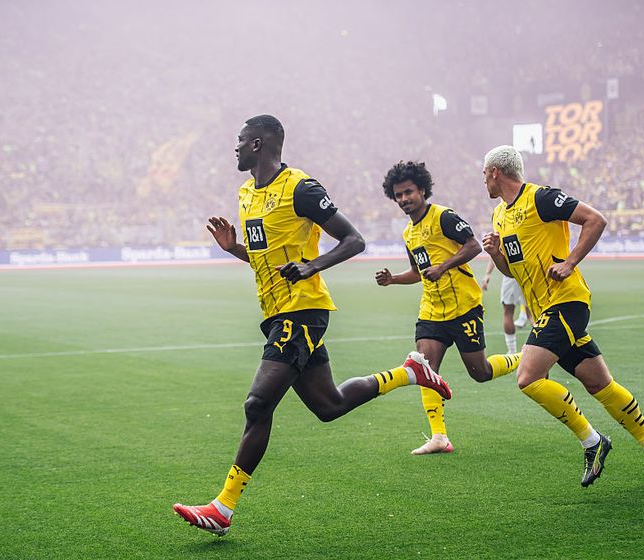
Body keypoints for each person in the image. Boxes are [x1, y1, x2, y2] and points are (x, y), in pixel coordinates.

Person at [172, 116, 452, 536]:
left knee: (257, 404)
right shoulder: (247, 193)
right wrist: (235, 250)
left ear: (259, 143)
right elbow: (269, 260)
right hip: (275, 312)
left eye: (240, 140)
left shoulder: (300, 188)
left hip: (302, 311)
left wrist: (312, 266)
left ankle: (222, 508)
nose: (235, 147)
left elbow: (354, 239)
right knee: (329, 406)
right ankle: (409, 372)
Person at [480, 145, 644, 489]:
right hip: (544, 310)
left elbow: (595, 219)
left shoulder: (540, 198)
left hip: (567, 302)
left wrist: (569, 263)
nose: (483, 182)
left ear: (495, 171)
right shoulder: (499, 216)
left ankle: (592, 441)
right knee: (599, 383)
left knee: (527, 377)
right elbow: (512, 272)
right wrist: (496, 255)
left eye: (484, 174)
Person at [375, 161, 521, 455]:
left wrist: (443, 267)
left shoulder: (443, 216)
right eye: (399, 196)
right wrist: (393, 280)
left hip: (464, 307)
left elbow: (472, 246)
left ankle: (524, 357)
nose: (404, 199)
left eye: (408, 192)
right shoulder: (408, 233)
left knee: (479, 372)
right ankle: (439, 437)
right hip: (431, 310)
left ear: (422, 190)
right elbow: (418, 272)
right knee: (425, 370)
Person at [481, 259, 531, 353]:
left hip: (511, 272)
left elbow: (495, 249)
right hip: (529, 271)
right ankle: (541, 345)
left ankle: (512, 351)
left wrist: (488, 273)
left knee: (508, 312)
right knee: (532, 313)